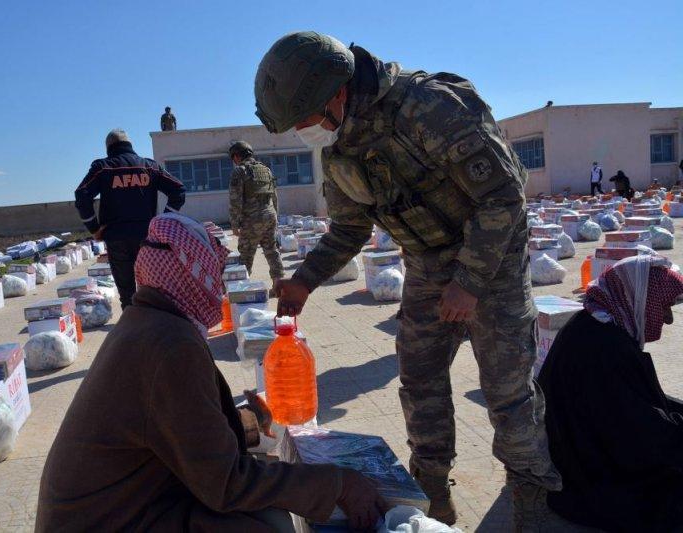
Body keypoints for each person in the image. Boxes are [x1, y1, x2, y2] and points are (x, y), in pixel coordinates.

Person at [254, 31, 561, 528]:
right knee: (419, 381)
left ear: (337, 92)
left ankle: (529, 485)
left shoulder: (428, 108)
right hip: (426, 263)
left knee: (507, 389)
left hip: (491, 256)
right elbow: (349, 228)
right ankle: (432, 488)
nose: (304, 131)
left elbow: (504, 197)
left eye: (306, 118)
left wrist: (470, 280)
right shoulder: (339, 145)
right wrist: (304, 281)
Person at [35, 213, 386, 532]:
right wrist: (338, 484)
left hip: (124, 507)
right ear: (191, 277)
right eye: (212, 275)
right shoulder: (170, 345)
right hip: (114, 521)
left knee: (270, 512)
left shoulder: (148, 322)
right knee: (266, 527)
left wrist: (247, 422)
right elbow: (226, 483)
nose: (218, 290)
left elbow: (178, 430)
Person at [537, 255, 683, 532]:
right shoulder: (604, 346)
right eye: (663, 306)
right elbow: (637, 434)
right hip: (588, 479)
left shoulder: (596, 323)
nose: (669, 318)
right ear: (639, 298)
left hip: (586, 455)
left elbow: (640, 402)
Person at [74, 129, 186, 309]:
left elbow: (82, 196)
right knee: (152, 289)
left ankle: (133, 329)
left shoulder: (103, 168)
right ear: (130, 145)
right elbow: (178, 190)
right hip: (147, 238)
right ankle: (154, 326)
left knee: (127, 295)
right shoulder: (149, 167)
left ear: (108, 147)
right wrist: (163, 221)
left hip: (117, 239)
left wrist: (94, 229)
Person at [228, 140, 284, 283]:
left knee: (246, 254)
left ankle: (242, 290)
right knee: (272, 250)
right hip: (270, 215)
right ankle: (279, 285)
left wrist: (234, 224)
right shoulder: (266, 169)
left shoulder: (240, 171)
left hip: (252, 219)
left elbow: (235, 200)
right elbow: (274, 195)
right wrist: (275, 217)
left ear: (236, 156)